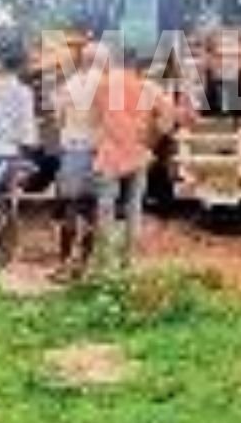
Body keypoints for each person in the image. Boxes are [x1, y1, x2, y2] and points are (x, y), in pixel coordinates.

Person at [93, 47, 172, 274]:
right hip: (138, 153)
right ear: (138, 65)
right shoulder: (149, 88)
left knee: (106, 206)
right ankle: (128, 261)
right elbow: (166, 120)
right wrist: (151, 141)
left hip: (109, 153)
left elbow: (96, 118)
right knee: (134, 207)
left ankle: (104, 262)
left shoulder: (104, 85)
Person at [52, 40, 101, 281]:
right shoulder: (105, 86)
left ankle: (63, 265)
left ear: (82, 59)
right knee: (92, 209)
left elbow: (59, 119)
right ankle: (83, 265)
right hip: (97, 150)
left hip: (72, 149)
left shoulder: (68, 85)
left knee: (70, 206)